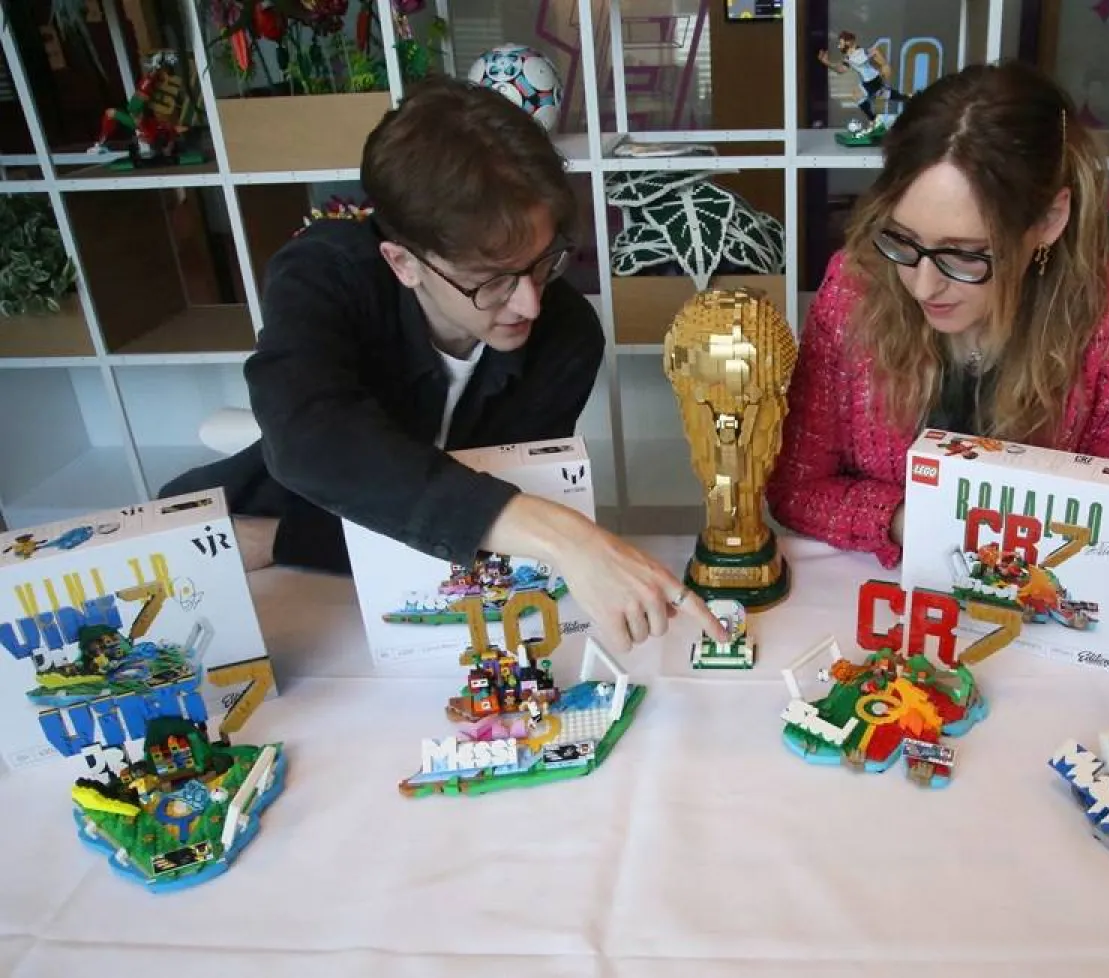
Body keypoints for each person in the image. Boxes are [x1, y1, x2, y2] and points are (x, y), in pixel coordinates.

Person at [159, 76, 724, 653]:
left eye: (542, 263)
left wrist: (282, 539)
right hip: (241, 553)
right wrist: (567, 538)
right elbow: (312, 443)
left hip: (364, 566)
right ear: (403, 263)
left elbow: (484, 525)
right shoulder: (326, 274)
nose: (529, 303)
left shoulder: (565, 333)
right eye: (491, 281)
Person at [766, 60, 1109, 570]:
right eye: (903, 240)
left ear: (1049, 220)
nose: (923, 285)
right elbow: (795, 488)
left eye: (965, 254)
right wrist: (907, 521)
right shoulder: (855, 288)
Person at [818, 31, 909, 125]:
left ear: (848, 42)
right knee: (884, 94)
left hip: (872, 80)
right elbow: (841, 70)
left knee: (857, 94)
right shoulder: (849, 58)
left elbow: (872, 55)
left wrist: (884, 65)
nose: (838, 46)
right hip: (870, 82)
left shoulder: (861, 52)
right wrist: (827, 63)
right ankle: (909, 99)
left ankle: (874, 120)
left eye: (841, 43)